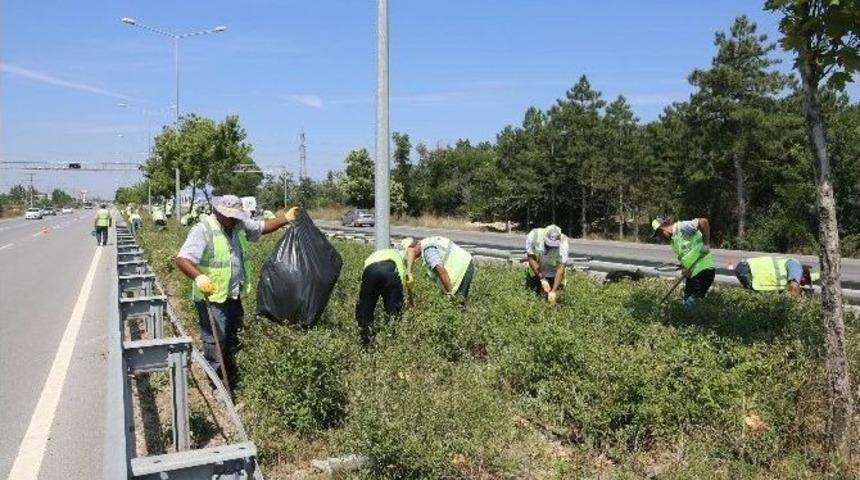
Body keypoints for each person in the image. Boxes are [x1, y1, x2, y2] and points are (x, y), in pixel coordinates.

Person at [175, 195, 299, 384]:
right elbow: (182, 259)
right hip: (212, 296)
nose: (233, 219)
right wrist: (199, 277)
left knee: (235, 334)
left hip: (232, 294)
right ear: (217, 211)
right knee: (216, 340)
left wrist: (285, 218)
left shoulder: (238, 225)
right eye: (229, 216)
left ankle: (233, 374)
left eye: (236, 216)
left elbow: (262, 227)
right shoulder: (203, 229)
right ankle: (216, 382)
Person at [355, 238, 414, 347]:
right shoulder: (403, 256)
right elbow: (407, 281)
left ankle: (365, 344)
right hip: (390, 271)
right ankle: (391, 343)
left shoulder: (383, 252)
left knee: (365, 308)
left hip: (370, 270)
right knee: (393, 311)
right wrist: (409, 299)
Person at [652, 217, 716, 306]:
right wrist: (684, 268)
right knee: (686, 302)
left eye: (659, 235)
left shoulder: (681, 227)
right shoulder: (674, 242)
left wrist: (706, 245)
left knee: (691, 303)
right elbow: (686, 256)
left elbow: (703, 222)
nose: (660, 238)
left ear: (662, 229)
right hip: (692, 273)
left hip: (703, 269)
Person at [405, 236, 475, 303]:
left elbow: (440, 269)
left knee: (458, 303)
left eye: (408, 254)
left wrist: (450, 293)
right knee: (459, 302)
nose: (413, 258)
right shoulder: (428, 242)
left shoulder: (428, 249)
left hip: (461, 271)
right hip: (465, 264)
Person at [525, 224, 569, 304]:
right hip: (539, 263)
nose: (551, 248)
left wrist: (554, 291)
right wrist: (542, 278)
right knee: (536, 290)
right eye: (549, 245)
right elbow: (531, 259)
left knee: (556, 294)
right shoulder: (533, 236)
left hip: (553, 267)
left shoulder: (564, 242)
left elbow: (561, 268)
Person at [734, 256, 819, 297]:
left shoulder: (790, 273)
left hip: (747, 270)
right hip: (747, 269)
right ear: (803, 275)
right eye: (805, 282)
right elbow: (794, 286)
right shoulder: (796, 266)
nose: (803, 285)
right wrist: (797, 305)